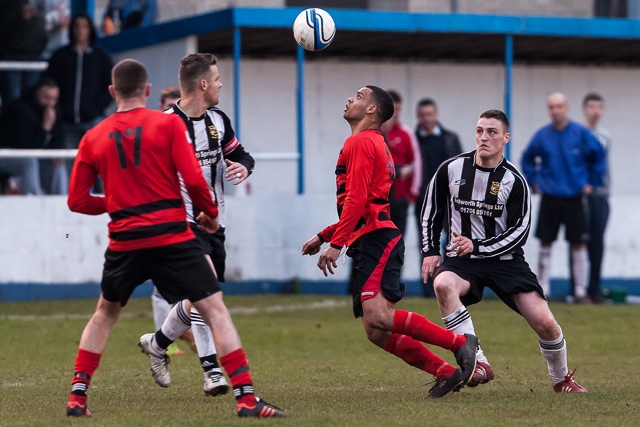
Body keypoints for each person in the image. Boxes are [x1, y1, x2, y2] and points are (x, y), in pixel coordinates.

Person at [65, 58, 284, 419]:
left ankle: (77, 397)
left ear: (111, 92)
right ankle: (246, 399)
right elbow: (195, 181)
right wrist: (210, 216)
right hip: (172, 234)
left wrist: (117, 204)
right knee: (215, 309)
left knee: (104, 314)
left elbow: (77, 200)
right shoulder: (164, 126)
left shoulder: (93, 136)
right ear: (148, 91)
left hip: (125, 239)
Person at [301, 85, 479, 399]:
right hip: (372, 235)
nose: (349, 99)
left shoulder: (360, 142)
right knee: (375, 331)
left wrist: (336, 243)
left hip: (377, 239)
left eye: (357, 96)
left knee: (379, 317)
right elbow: (366, 203)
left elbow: (356, 201)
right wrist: (324, 235)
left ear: (372, 110)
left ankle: (461, 343)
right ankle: (445, 371)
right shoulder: (373, 143)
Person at [422, 109, 587, 393]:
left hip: (505, 261)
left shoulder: (515, 180)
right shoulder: (450, 169)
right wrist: (429, 251)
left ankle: (561, 380)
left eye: (491, 132)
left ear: (505, 138)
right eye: (479, 131)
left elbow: (519, 234)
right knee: (443, 284)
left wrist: (478, 245)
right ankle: (478, 362)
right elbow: (430, 213)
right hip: (463, 260)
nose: (483, 137)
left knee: (546, 323)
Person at [140, 53, 256, 399]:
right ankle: (213, 372)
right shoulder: (162, 125)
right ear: (203, 84)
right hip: (179, 225)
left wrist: (244, 168)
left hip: (214, 224)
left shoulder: (219, 121)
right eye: (218, 79)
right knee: (206, 295)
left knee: (198, 298)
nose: (221, 85)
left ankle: (157, 343)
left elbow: (243, 155)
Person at [521, 92, 606, 302]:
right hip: (550, 196)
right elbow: (527, 158)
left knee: (578, 244)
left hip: (574, 196)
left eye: (559, 106)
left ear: (566, 108)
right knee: (545, 243)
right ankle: (543, 289)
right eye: (551, 107)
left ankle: (580, 291)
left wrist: (591, 182)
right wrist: (534, 181)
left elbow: (599, 157)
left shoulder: (580, 133)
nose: (555, 111)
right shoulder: (542, 135)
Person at [149, 85, 196, 357]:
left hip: (190, 215)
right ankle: (167, 340)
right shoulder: (156, 136)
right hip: (165, 215)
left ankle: (169, 336)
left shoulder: (189, 135)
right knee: (164, 279)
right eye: (167, 105)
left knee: (188, 283)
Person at [414, 98, 464, 297]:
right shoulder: (414, 140)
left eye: (429, 114)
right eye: (423, 115)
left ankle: (453, 283)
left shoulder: (450, 138)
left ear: (436, 115)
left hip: (449, 200)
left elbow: (461, 168)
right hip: (424, 201)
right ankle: (428, 287)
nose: (426, 118)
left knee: (453, 242)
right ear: (419, 117)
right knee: (427, 244)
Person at [46, 13, 113, 153]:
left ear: (90, 29)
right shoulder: (60, 56)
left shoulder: (101, 57)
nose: (80, 30)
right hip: (66, 122)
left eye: (84, 26)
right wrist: (58, 108)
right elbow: (48, 83)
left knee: (97, 163)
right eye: (76, 26)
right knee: (70, 167)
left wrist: (97, 106)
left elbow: (111, 85)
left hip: (93, 121)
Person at [0, 76, 67, 194]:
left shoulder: (55, 110)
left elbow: (59, 137)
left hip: (37, 157)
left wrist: (55, 152)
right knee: (29, 161)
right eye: (46, 98)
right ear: (37, 93)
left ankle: (62, 202)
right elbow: (26, 146)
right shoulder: (19, 110)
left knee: (58, 166)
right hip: (8, 154)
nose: (50, 103)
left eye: (54, 99)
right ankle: (34, 201)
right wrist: (45, 128)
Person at [578, 92, 611, 303]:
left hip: (602, 196)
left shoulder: (606, 136)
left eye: (598, 106)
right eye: (591, 106)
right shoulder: (578, 135)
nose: (595, 111)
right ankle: (578, 289)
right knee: (578, 242)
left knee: (598, 243)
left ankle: (594, 290)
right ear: (584, 109)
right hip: (580, 197)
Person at [381, 90, 421, 237]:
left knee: (397, 242)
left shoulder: (406, 133)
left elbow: (416, 164)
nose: (395, 114)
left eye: (398, 110)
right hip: (379, 199)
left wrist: (412, 194)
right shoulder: (374, 133)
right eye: (393, 110)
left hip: (399, 197)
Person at [0, 0, 47, 110]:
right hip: (11, 57)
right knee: (13, 99)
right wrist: (19, 14)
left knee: (32, 98)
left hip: (34, 55)